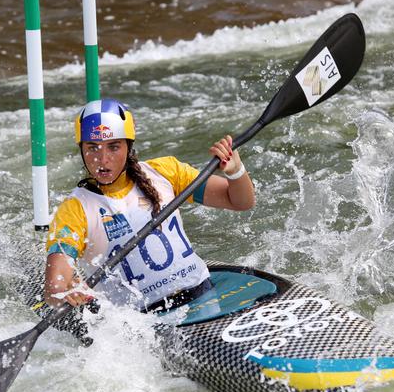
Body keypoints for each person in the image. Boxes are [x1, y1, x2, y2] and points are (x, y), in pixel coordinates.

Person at [44, 98, 255, 314]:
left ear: (128, 146)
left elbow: (240, 201)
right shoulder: (75, 209)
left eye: (114, 147)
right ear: (81, 149)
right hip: (143, 322)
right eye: (92, 148)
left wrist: (235, 171)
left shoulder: (165, 172)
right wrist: (67, 289)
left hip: (203, 294)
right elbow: (54, 287)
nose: (102, 159)